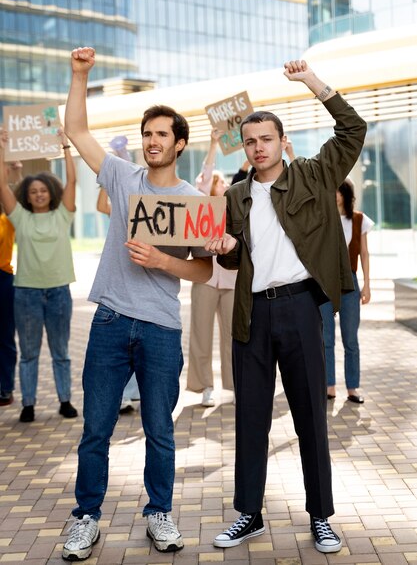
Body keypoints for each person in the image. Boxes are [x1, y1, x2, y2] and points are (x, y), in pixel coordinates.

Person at [205, 59, 367, 554]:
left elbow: (353, 128)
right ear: (245, 147)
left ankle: (320, 516)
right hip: (251, 315)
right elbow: (234, 261)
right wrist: (227, 251)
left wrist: (313, 82)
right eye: (250, 141)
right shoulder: (234, 197)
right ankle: (249, 514)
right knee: (250, 417)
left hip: (301, 309)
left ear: (280, 141)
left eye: (266, 139)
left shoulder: (313, 177)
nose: (257, 147)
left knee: (309, 418)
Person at [62, 46, 212, 561]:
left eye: (161, 135)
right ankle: (85, 519)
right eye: (147, 135)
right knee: (96, 428)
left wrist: (163, 262)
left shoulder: (194, 201)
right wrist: (79, 75)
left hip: (161, 329)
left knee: (160, 432)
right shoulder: (123, 177)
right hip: (109, 320)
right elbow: (78, 131)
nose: (151, 142)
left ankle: (159, 514)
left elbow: (204, 270)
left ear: (180, 144)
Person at [0, 127, 78, 424]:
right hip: (27, 294)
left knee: (61, 352)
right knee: (28, 353)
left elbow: (72, 180)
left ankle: (65, 401)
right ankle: (29, 404)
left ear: (50, 192)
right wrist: (2, 148)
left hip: (59, 291)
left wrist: (66, 147)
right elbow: (2, 186)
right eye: (33, 192)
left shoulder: (64, 214)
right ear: (27, 197)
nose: (38, 194)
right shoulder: (20, 216)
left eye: (43, 190)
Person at [187, 128, 236, 407]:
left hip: (231, 279)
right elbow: (204, 179)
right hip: (205, 279)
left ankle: (234, 383)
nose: (224, 186)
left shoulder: (236, 209)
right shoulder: (202, 203)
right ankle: (204, 386)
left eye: (225, 183)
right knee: (200, 334)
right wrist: (213, 144)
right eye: (220, 183)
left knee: (233, 335)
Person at [95, 140, 141, 415]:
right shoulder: (122, 210)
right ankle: (124, 395)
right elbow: (103, 205)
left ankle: (135, 393)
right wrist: (107, 180)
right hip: (120, 283)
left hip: (143, 283)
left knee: (140, 349)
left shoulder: (149, 209)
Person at [321, 178, 374, 404]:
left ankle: (352, 388)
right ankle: (329, 386)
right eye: (331, 190)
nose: (335, 194)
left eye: (339, 190)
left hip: (350, 284)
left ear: (346, 194)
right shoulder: (323, 219)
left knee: (350, 339)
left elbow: (364, 253)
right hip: (325, 284)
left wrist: (367, 284)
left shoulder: (359, 220)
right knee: (326, 339)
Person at [0, 134, 21, 407]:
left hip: (3, 277)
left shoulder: (8, 216)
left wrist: (3, 150)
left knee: (4, 335)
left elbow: (6, 186)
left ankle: (5, 387)